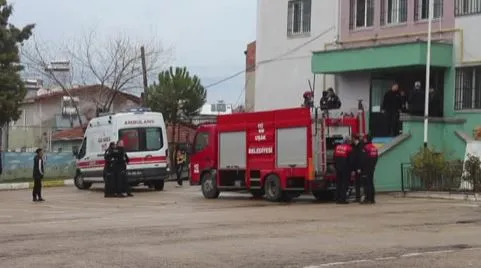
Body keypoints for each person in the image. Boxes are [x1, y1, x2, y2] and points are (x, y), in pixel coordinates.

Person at [333, 136, 353, 204]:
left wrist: (336, 167)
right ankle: (342, 199)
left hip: (338, 168)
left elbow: (334, 158)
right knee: (344, 184)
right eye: (349, 141)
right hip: (345, 169)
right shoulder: (349, 148)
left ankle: (337, 198)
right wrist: (352, 169)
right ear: (348, 141)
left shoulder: (337, 147)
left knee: (338, 183)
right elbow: (350, 160)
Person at [362, 134, 378, 204]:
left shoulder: (366, 147)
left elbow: (364, 158)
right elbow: (376, 158)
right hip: (372, 168)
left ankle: (367, 199)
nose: (363, 140)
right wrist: (373, 166)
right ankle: (372, 199)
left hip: (366, 168)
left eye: (364, 138)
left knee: (366, 183)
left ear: (367, 139)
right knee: (371, 183)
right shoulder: (374, 148)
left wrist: (363, 168)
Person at [350, 134, 364, 203]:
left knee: (360, 183)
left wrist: (359, 168)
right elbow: (353, 158)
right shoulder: (354, 146)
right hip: (355, 168)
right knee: (357, 183)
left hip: (359, 168)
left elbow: (360, 158)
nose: (351, 140)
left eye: (352, 138)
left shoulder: (360, 146)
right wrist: (353, 169)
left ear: (355, 139)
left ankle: (361, 197)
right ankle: (357, 197)